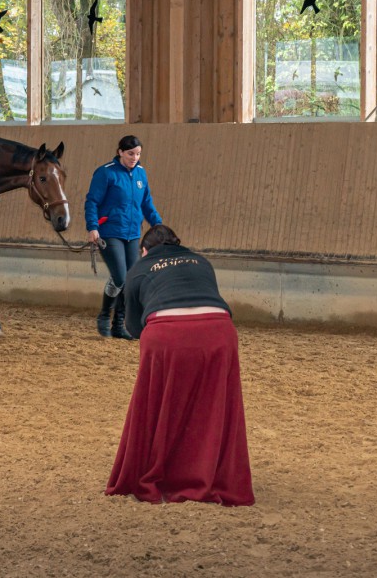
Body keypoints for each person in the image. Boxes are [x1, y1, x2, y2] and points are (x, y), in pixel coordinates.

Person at [105, 225, 254, 506]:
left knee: (162, 402)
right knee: (210, 404)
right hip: (219, 333)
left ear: (145, 251)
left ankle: (164, 470)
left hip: (167, 335)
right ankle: (205, 470)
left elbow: (134, 327)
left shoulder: (138, 269)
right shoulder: (202, 262)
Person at [84, 135, 162, 340]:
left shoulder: (141, 173)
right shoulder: (106, 172)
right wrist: (92, 227)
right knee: (120, 277)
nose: (134, 158)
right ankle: (104, 314)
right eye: (130, 154)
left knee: (130, 280)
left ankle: (119, 325)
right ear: (120, 152)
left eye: (138, 154)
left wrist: (158, 224)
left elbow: (146, 202)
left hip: (132, 233)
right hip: (109, 232)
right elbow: (92, 201)